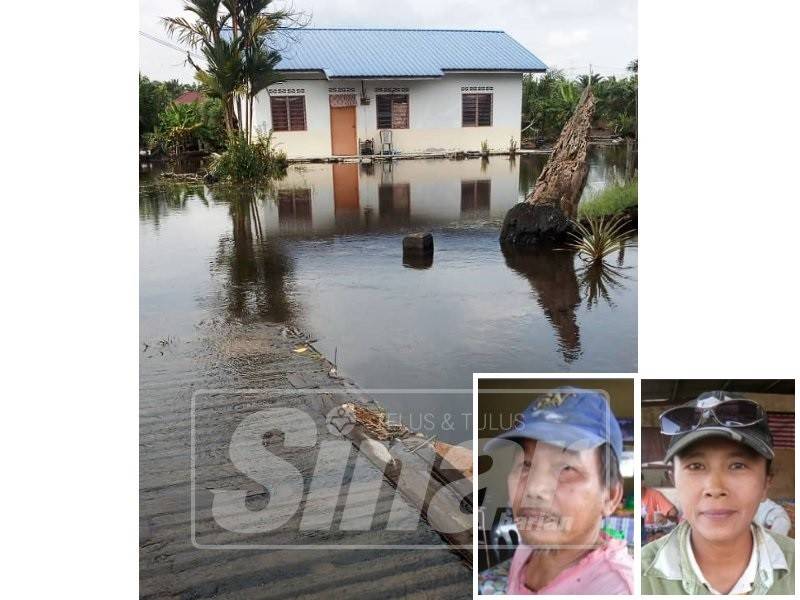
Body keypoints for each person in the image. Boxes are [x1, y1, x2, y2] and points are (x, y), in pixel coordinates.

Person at [479, 388, 633, 595]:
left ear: (611, 497)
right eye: (525, 465)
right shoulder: (529, 544)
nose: (534, 489)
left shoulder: (615, 589)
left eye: (566, 468)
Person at [641, 391, 795, 595]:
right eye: (696, 466)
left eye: (738, 465)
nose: (715, 488)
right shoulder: (640, 577)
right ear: (674, 478)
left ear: (766, 482)